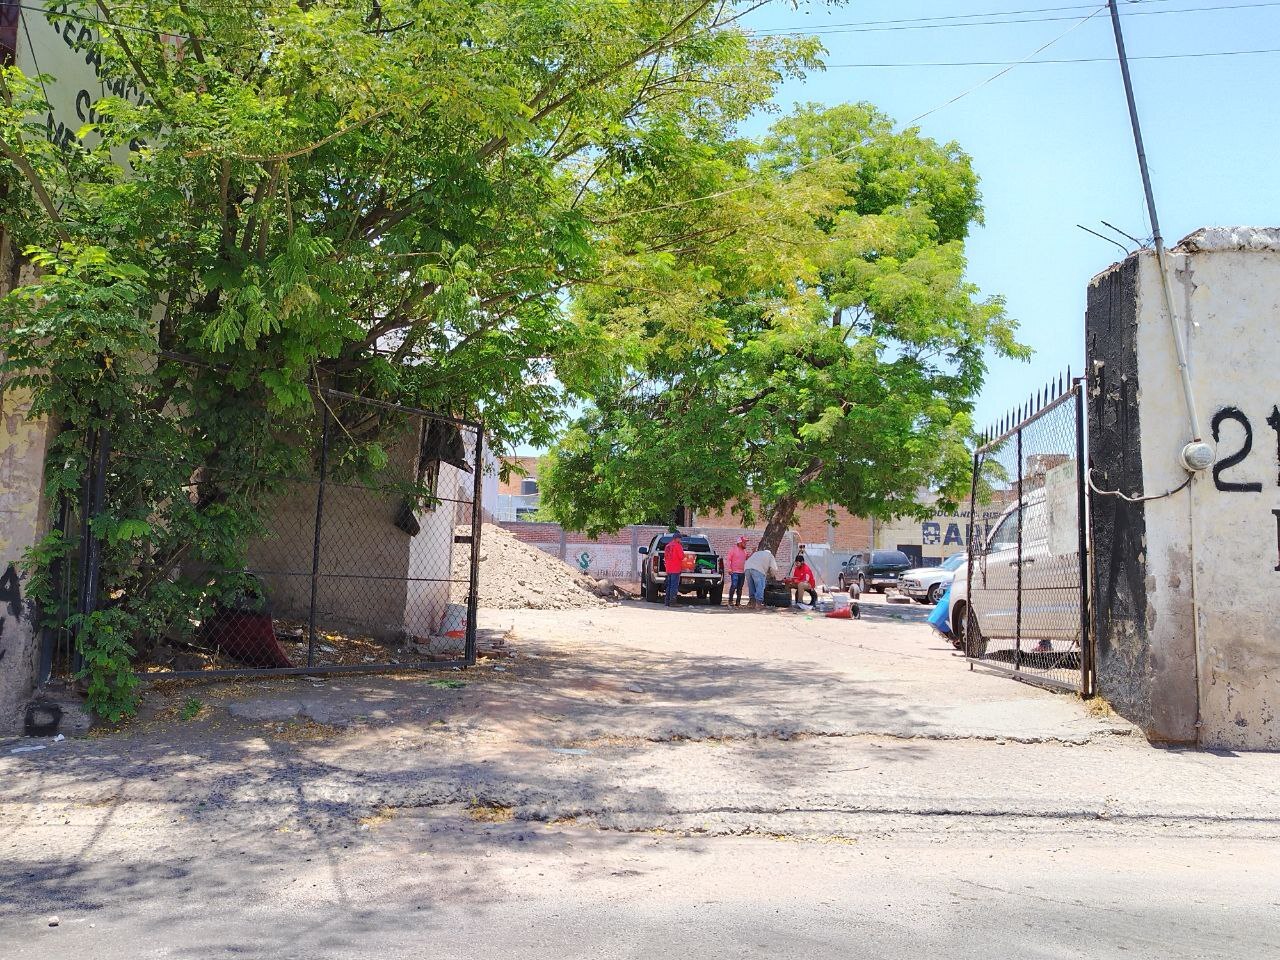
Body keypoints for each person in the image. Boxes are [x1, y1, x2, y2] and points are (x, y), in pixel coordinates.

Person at [744, 546, 779, 610]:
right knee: (760, 586)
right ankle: (758, 604)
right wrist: (772, 575)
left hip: (747, 568)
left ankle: (752, 603)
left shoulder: (757, 553)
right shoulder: (770, 556)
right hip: (758, 570)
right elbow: (774, 568)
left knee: (751, 586)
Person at [725, 536, 748, 607]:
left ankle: (738, 602)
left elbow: (746, 557)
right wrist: (729, 568)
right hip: (734, 572)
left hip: (742, 572)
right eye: (744, 542)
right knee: (734, 585)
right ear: (739, 542)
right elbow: (728, 559)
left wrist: (753, 553)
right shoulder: (733, 550)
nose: (745, 544)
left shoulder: (744, 551)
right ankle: (730, 601)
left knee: (740, 588)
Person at [662, 532, 684, 607]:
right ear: (677, 539)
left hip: (668, 568)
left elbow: (665, 557)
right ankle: (673, 602)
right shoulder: (678, 546)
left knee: (669, 585)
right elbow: (681, 556)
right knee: (674, 586)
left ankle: (667, 602)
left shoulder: (667, 546)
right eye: (680, 538)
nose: (681, 540)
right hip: (676, 568)